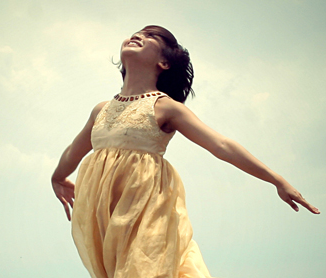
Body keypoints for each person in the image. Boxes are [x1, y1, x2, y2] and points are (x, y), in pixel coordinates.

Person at [51, 25, 320, 278]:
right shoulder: (101, 110)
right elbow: (74, 150)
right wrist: (58, 177)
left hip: (147, 212)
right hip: (107, 216)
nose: (138, 35)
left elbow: (221, 145)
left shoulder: (166, 107)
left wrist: (277, 180)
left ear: (164, 62)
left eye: (150, 36)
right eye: (137, 32)